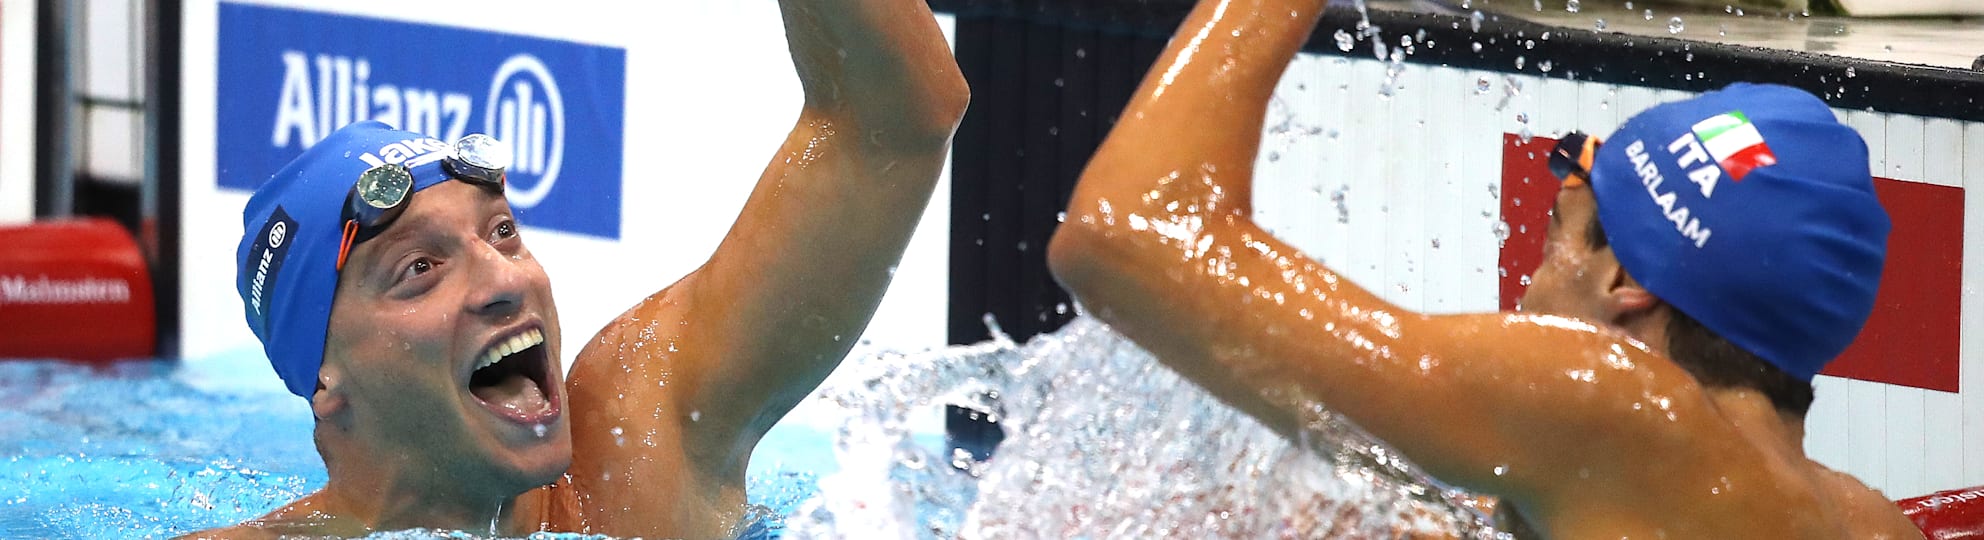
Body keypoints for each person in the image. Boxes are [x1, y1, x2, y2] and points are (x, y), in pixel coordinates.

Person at [1044, 0, 1924, 537]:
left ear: (1625, 284)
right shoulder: (1867, 521)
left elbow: (1126, 236)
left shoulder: (1615, 404)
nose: (1525, 284)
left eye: (1554, 234)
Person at [188, 0, 968, 537]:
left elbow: (896, 120)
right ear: (325, 378)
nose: (504, 281)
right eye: (420, 267)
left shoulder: (634, 458)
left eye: (502, 233)